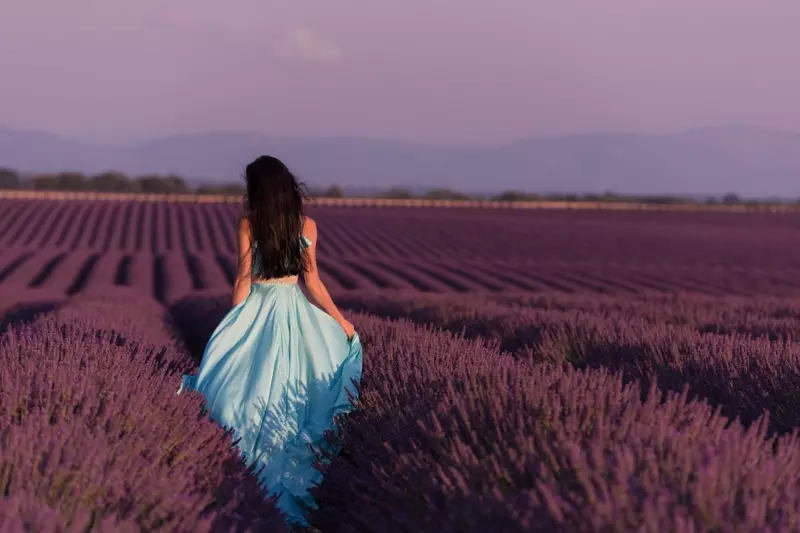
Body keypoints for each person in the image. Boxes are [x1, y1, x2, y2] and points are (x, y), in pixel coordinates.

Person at [178, 155, 362, 527]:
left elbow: (243, 278)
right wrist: (341, 322)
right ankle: (294, 476)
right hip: (296, 312)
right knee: (300, 390)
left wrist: (234, 322)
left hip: (260, 309)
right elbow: (312, 282)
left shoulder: (249, 224)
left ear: (257, 189)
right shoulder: (306, 225)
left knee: (246, 387)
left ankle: (246, 474)